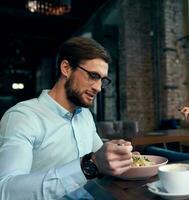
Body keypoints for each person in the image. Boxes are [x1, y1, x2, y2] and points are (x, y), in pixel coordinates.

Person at [0, 37, 134, 199]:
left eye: (102, 80)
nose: (98, 88)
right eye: (93, 75)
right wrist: (88, 165)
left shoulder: (85, 115)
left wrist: (118, 155)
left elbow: (100, 157)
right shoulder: (23, 117)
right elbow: (6, 190)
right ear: (66, 68)